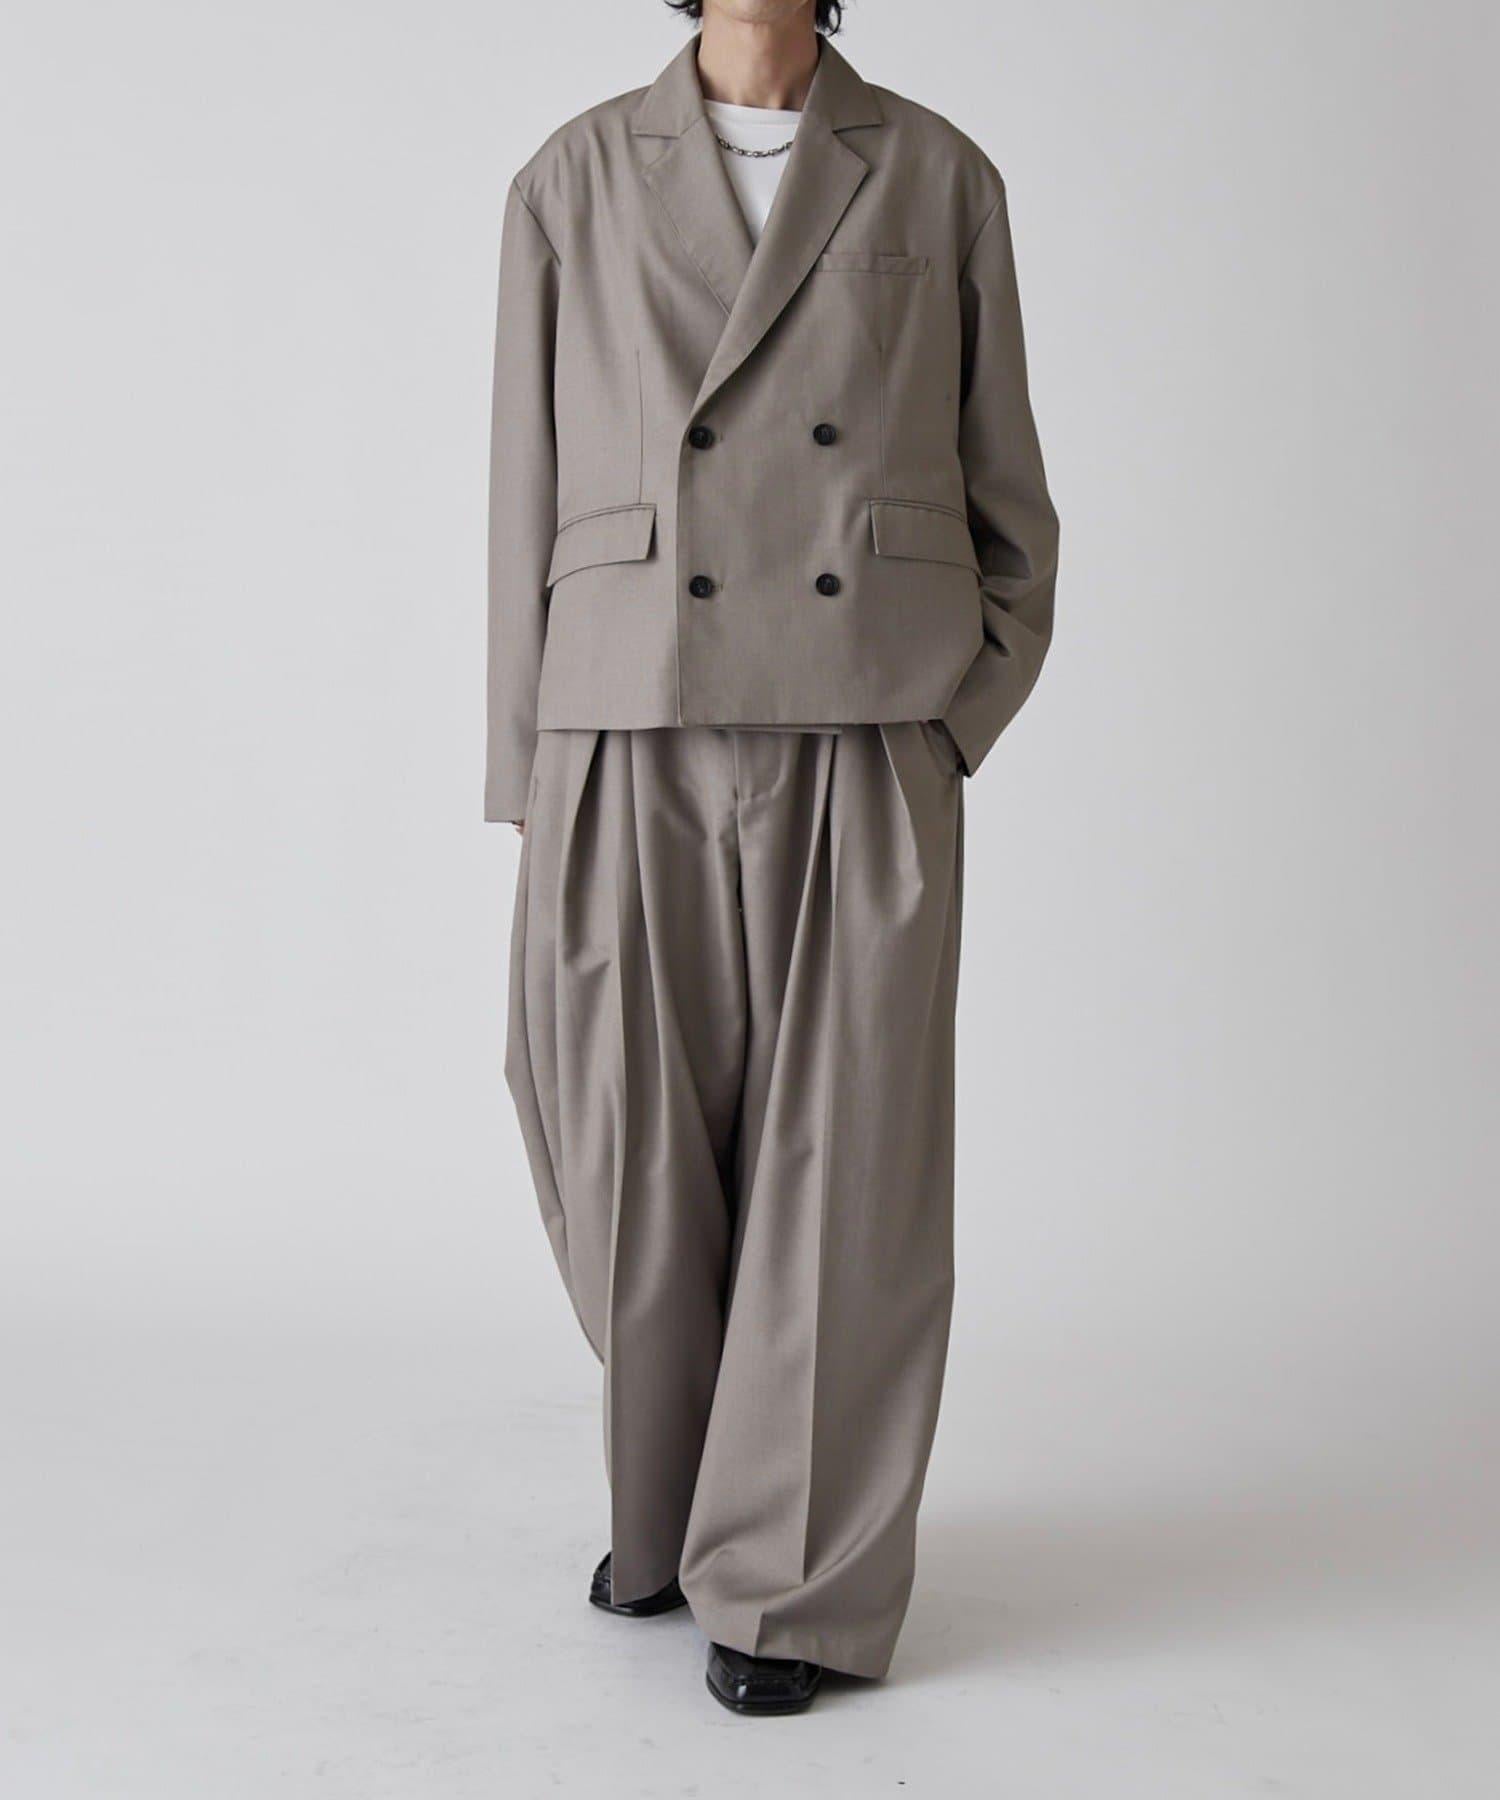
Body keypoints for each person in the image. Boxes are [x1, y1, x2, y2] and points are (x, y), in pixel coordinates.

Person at [487, 0, 1057, 1715]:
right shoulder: (573, 178)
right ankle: (672, 1507)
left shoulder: (938, 173)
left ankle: (790, 1583)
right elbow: (521, 488)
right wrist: (526, 760)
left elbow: (1010, 500)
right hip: (625, 710)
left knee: (846, 1163)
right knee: (613, 1132)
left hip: (865, 713)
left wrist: (954, 714)